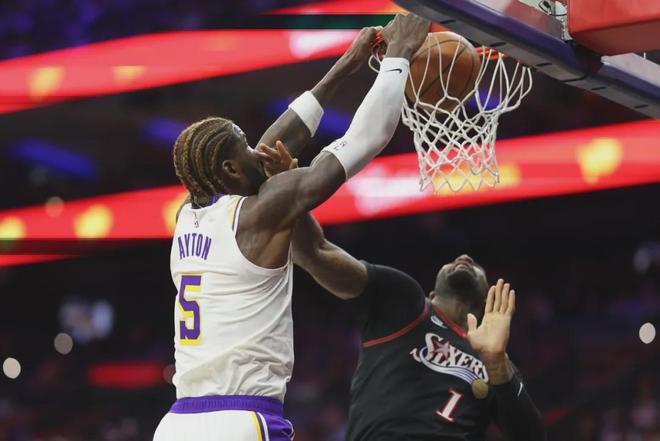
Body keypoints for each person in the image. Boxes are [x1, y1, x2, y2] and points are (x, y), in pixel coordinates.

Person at [153, 14, 432, 441]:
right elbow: (366, 138)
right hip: (240, 419)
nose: (258, 151)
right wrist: (399, 56)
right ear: (230, 170)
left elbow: (273, 144)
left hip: (177, 423)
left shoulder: (188, 214)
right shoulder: (258, 213)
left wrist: (347, 64)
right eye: (245, 149)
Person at [292, 214, 546, 440]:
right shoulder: (406, 304)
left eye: (478, 267)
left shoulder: (497, 363)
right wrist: (290, 196)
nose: (464, 258)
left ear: (483, 304)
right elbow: (315, 251)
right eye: (452, 260)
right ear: (431, 294)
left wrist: (498, 364)